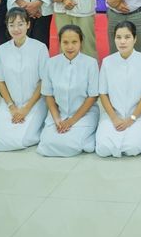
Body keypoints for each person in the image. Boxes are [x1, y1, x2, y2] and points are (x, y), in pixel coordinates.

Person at [0, 8, 49, 152]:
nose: (16, 29)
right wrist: (11, 107)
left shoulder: (40, 48)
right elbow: (0, 81)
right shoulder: (2, 50)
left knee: (21, 140)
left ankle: (40, 126)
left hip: (34, 103)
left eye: (20, 24)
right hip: (10, 103)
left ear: (28, 25)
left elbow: (43, 81)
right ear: (7, 27)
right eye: (11, 25)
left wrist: (26, 109)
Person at [37, 24, 99, 157]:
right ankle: (85, 141)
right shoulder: (51, 63)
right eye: (65, 42)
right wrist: (57, 119)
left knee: (71, 145)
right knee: (46, 145)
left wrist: (71, 121)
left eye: (74, 42)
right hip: (60, 113)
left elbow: (92, 97)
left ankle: (86, 140)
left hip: (84, 115)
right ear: (59, 43)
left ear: (81, 42)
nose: (70, 47)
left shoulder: (91, 63)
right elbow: (48, 94)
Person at [96, 22, 141, 157]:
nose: (122, 42)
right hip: (113, 115)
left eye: (127, 37)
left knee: (132, 147)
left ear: (135, 39)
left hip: (140, 116)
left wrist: (132, 118)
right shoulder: (107, 62)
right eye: (118, 37)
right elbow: (103, 94)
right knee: (104, 148)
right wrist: (114, 118)